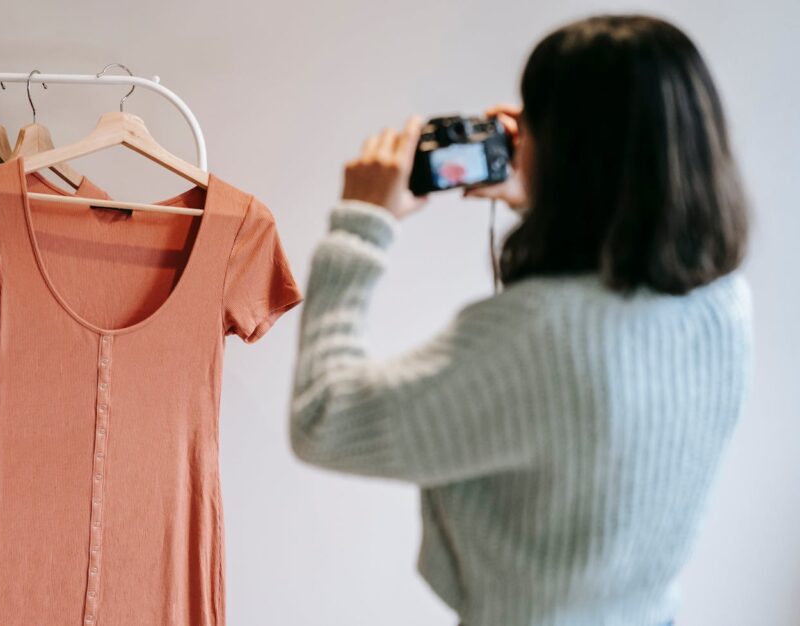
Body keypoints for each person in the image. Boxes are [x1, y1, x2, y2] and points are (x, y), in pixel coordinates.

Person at [289, 14, 751, 626]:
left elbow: (324, 419)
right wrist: (549, 191)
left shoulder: (541, 337)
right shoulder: (723, 303)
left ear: (568, 147)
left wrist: (360, 224)